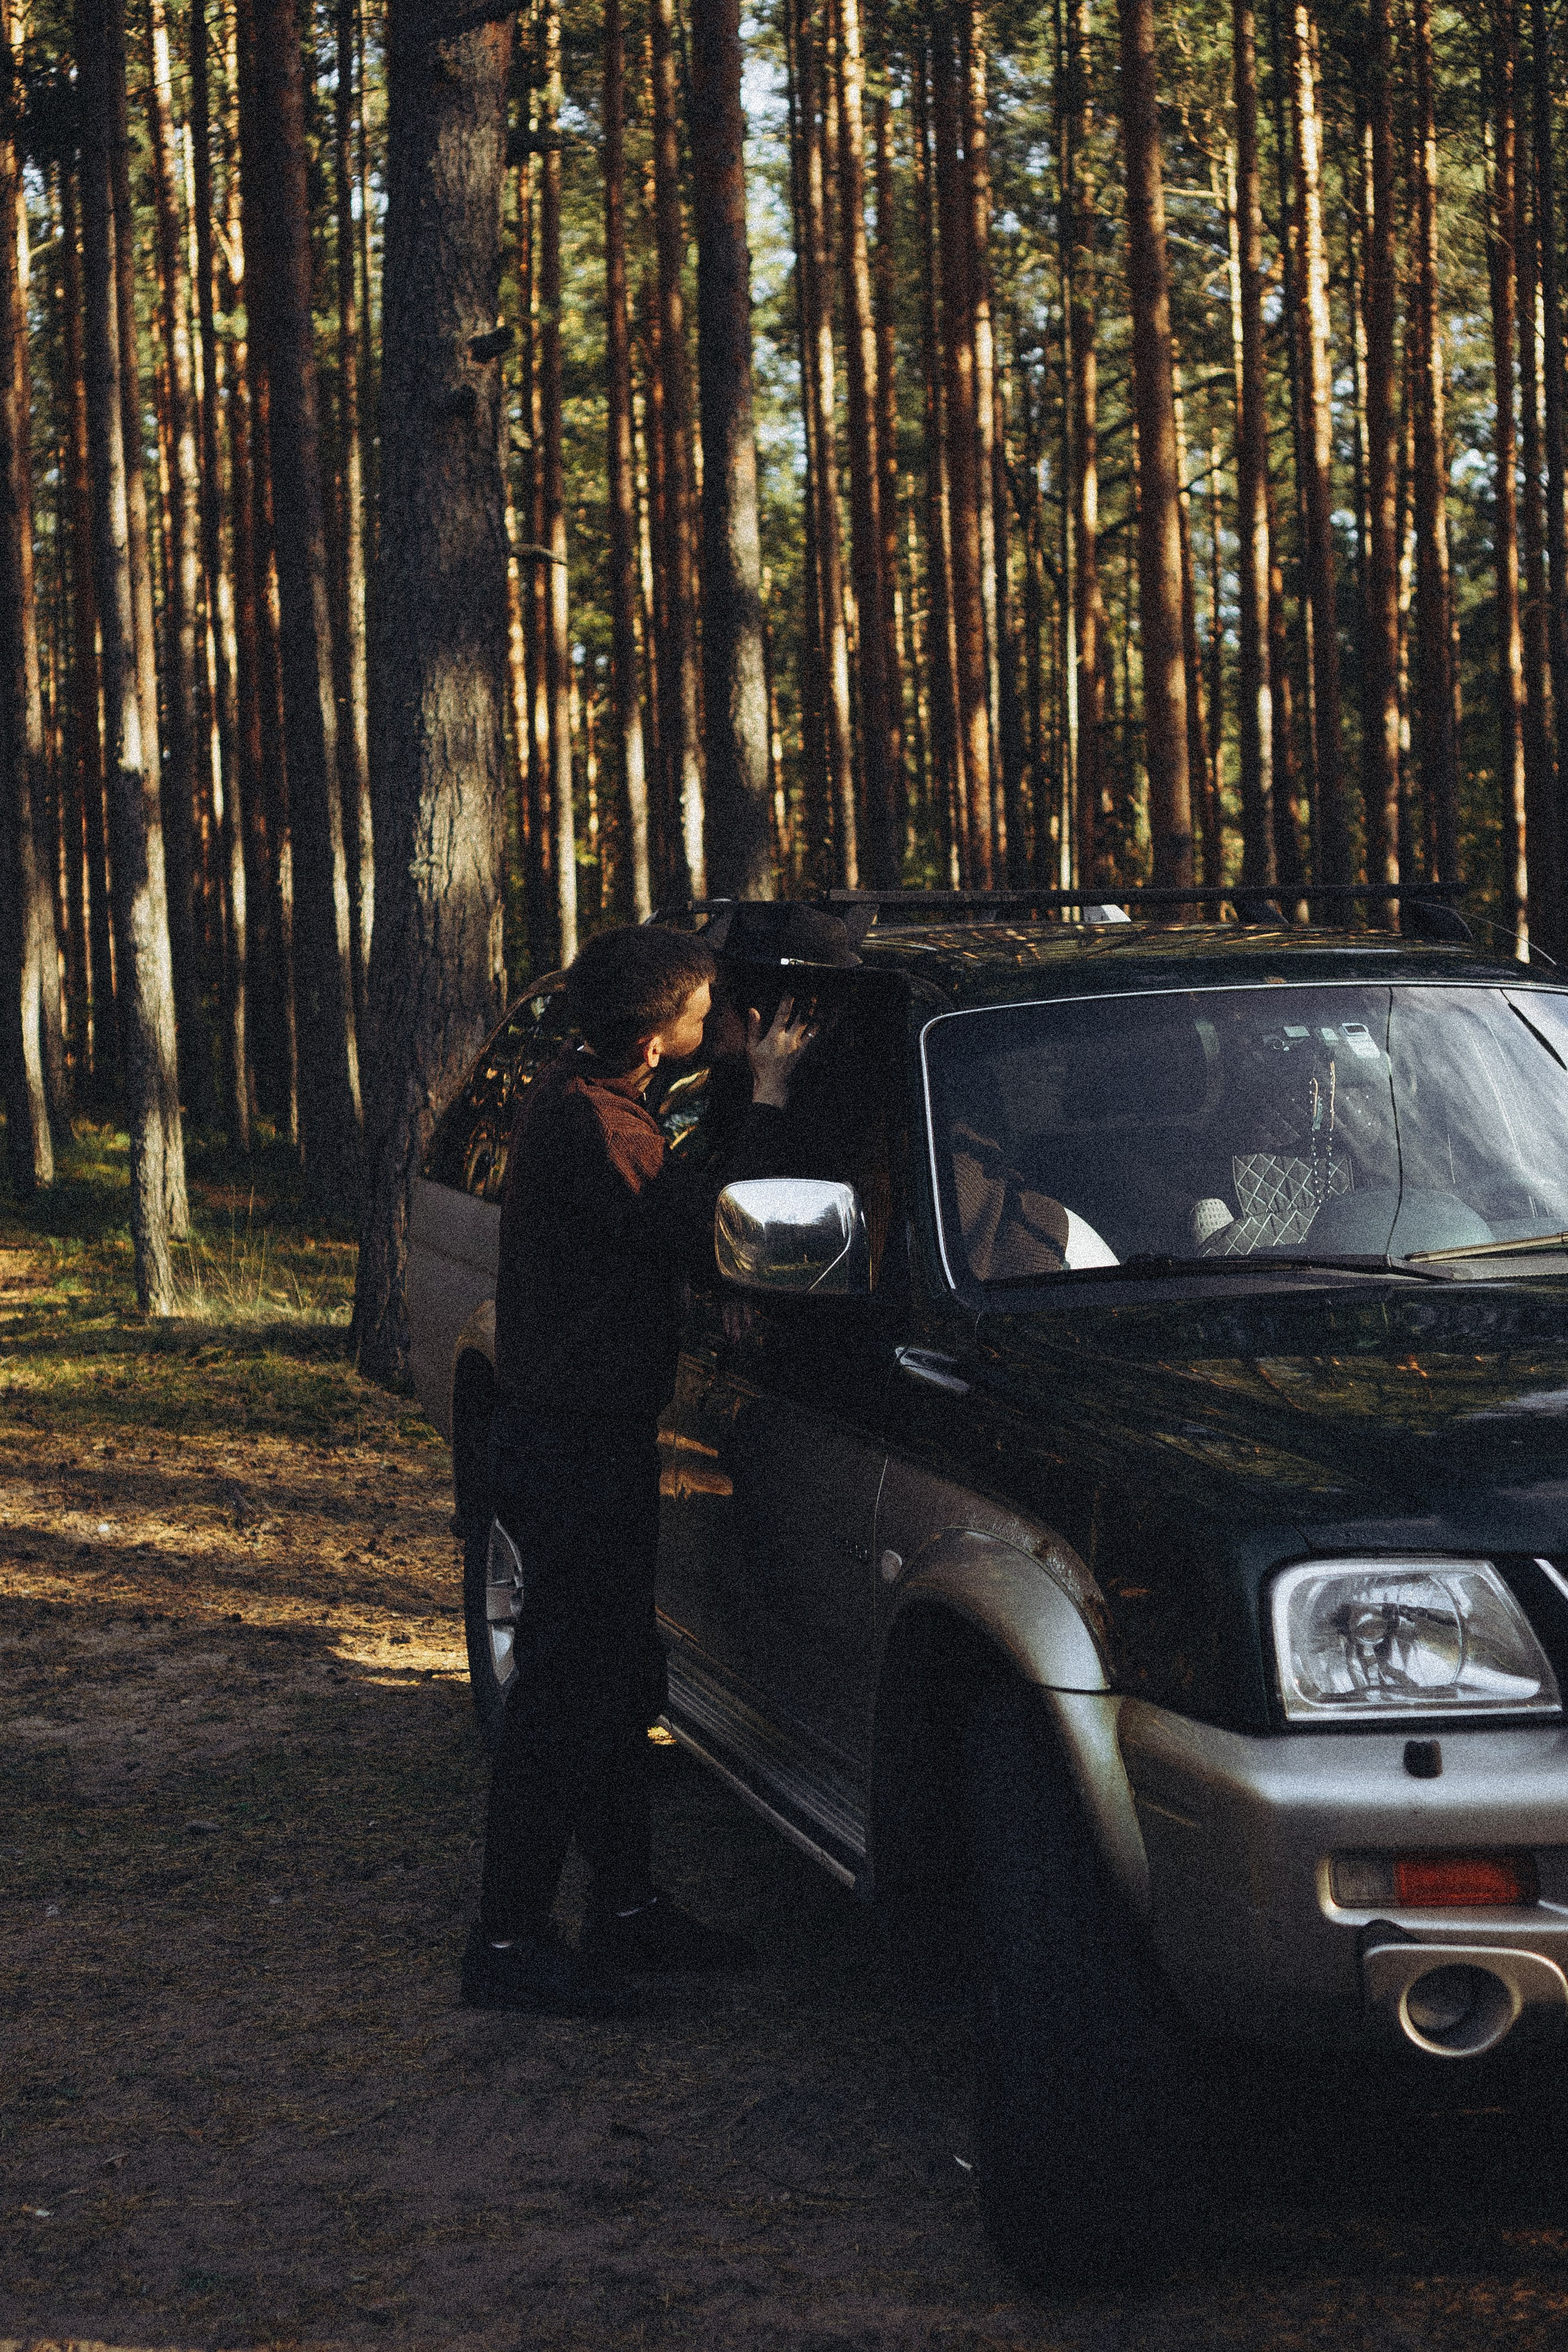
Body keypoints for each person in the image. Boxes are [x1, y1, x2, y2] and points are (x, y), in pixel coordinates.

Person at [462, 923, 813, 2015]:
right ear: (658, 1041)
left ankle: (624, 1909)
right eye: (707, 1012)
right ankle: (508, 1943)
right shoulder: (600, 1124)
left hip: (581, 1438)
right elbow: (704, 1227)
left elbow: (656, 1208)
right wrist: (769, 1095)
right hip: (571, 1448)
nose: (723, 1021)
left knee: (613, 1681)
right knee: (563, 1696)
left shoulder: (593, 1092)